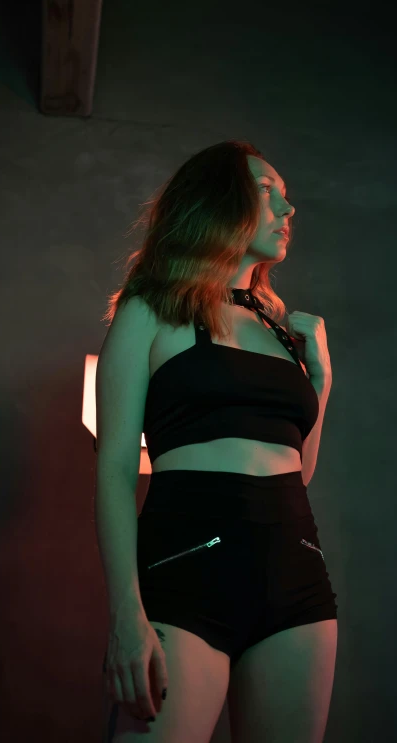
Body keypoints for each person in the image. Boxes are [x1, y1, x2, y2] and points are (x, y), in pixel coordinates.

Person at [94, 140, 338, 743]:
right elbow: (117, 467)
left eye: (286, 194)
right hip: (186, 573)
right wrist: (127, 612)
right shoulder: (149, 309)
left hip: (295, 573)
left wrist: (322, 381)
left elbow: (296, 471)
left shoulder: (283, 328)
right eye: (267, 190)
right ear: (218, 200)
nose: (288, 207)